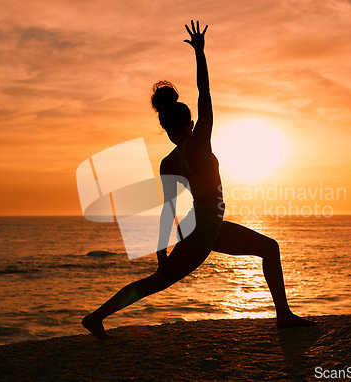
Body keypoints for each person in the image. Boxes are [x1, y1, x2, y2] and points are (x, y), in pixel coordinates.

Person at [82, 21, 315, 340]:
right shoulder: (200, 142)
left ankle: (284, 315)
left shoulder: (169, 161)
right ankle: (96, 317)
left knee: (267, 248)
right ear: (190, 123)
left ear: (165, 129)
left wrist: (161, 248)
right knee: (156, 283)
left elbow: (168, 209)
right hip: (204, 228)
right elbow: (205, 93)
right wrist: (200, 53)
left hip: (204, 227)